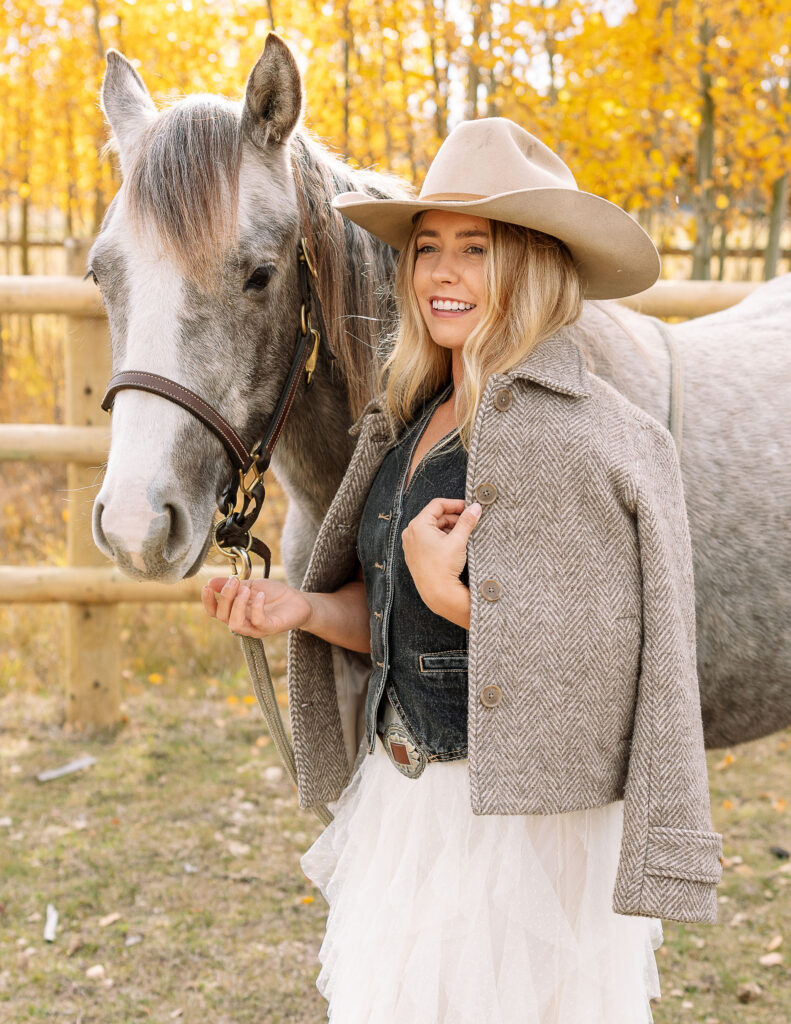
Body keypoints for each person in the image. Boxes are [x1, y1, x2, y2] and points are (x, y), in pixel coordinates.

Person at [201, 118, 723, 1023]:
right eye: (427, 248)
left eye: (473, 249)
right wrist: (304, 610)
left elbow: (605, 660)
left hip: (519, 827)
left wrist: (452, 592)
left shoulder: (585, 436)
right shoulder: (411, 420)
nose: (440, 273)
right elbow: (403, 616)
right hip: (412, 803)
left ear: (532, 265)